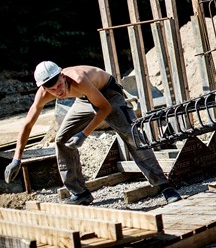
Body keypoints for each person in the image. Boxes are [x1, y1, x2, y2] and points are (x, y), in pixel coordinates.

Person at [4, 61, 181, 205]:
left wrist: (84, 134)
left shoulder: (78, 79)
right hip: (83, 99)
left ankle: (164, 185)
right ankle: (80, 193)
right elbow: (27, 125)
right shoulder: (43, 94)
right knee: (61, 140)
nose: (58, 91)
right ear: (44, 88)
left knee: (130, 134)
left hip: (108, 94)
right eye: (53, 90)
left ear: (62, 76)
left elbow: (104, 107)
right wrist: (16, 159)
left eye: (59, 85)